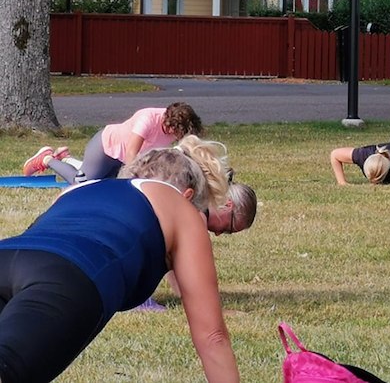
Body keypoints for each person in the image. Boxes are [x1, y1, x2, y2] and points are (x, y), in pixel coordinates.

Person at [0, 146, 240, 383]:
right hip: (70, 274)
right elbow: (212, 336)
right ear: (188, 195)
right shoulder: (181, 208)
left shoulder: (78, 189)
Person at [23, 102, 203, 183]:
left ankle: (66, 157)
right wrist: (137, 178)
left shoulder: (175, 128)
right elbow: (132, 153)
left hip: (122, 159)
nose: (178, 137)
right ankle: (47, 159)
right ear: (170, 125)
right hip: (105, 148)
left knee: (104, 187)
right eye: (178, 132)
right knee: (83, 184)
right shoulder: (148, 119)